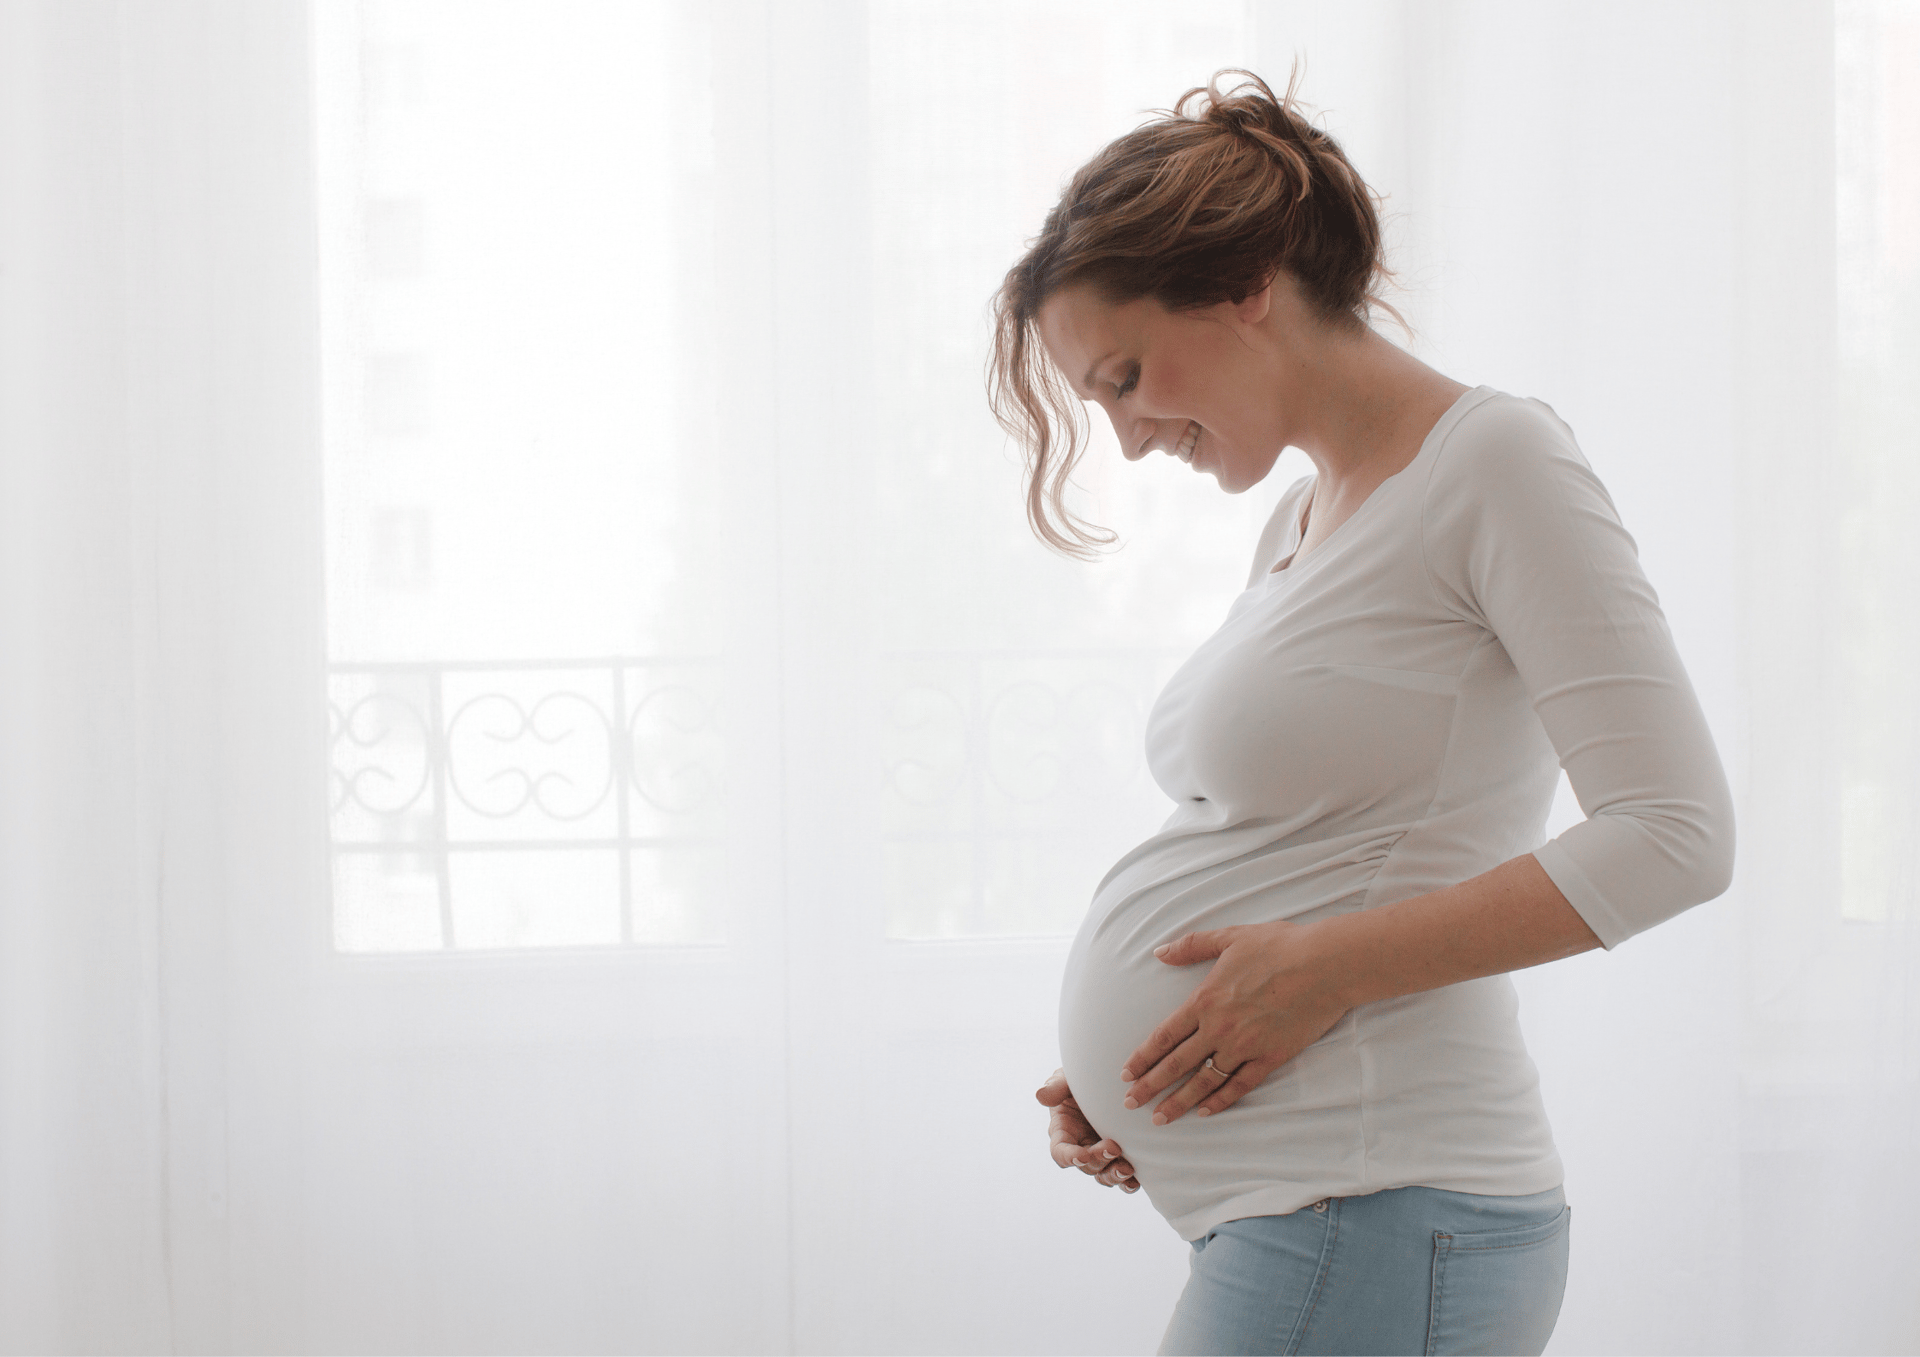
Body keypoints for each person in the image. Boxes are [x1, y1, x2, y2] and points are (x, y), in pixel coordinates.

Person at [986, 70, 1734, 1356]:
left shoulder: (1495, 458)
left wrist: (1314, 975)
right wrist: (1154, 1065)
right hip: (1316, 1209)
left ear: (1247, 284)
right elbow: (1330, 833)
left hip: (1385, 1206)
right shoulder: (1302, 515)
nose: (1123, 437)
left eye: (1124, 376)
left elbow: (1676, 832)